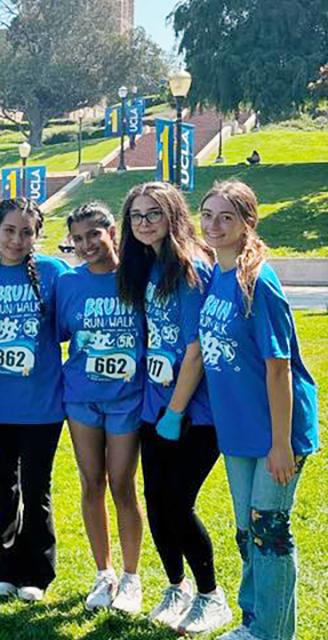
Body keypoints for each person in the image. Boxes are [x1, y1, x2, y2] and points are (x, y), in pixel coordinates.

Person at [198, 180, 318, 640]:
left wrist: (282, 443)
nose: (214, 225)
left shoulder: (259, 281)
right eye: (208, 214)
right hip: (238, 429)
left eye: (226, 217)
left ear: (249, 223)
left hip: (276, 431)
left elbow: (279, 367)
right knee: (247, 532)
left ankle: (274, 632)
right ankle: (253, 622)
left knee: (268, 530)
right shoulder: (217, 276)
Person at [116, 182, 232, 632]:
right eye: (136, 216)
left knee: (178, 504)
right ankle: (176, 586)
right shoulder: (146, 266)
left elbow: (196, 348)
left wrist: (176, 412)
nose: (144, 223)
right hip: (154, 405)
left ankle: (210, 595)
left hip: (193, 412)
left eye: (153, 214)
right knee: (156, 502)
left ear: (173, 216)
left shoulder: (190, 267)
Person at [0, 198, 70, 602]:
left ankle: (37, 572)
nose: (16, 240)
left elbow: (67, 328)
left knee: (35, 487)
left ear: (37, 236)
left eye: (26, 232)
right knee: (2, 487)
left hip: (42, 405)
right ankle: (4, 567)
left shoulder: (53, 272)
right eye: (9, 230)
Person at [55, 202, 146, 614]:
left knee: (123, 484)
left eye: (94, 234)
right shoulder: (68, 283)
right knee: (91, 483)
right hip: (81, 397)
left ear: (112, 230)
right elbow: (57, 333)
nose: (87, 244)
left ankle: (131, 577)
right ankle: (103, 573)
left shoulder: (137, 276)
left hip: (127, 399)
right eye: (78, 238)